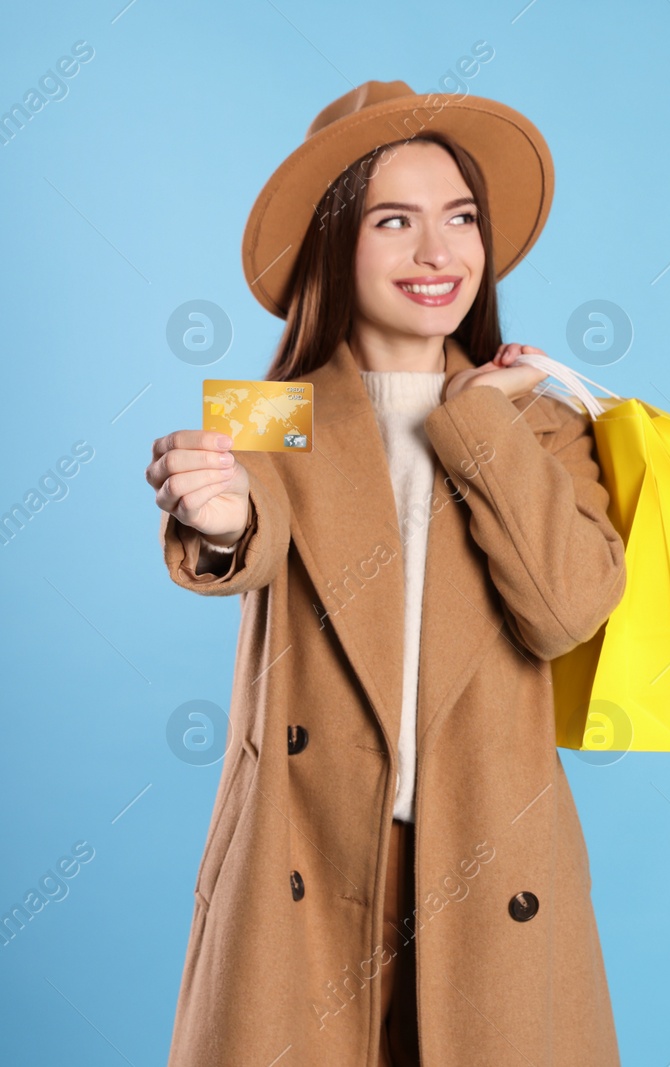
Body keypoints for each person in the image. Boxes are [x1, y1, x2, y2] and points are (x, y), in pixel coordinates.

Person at [146, 81, 627, 1065]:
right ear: (336, 241)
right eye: (394, 221)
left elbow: (565, 610)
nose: (437, 253)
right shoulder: (269, 414)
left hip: (490, 858)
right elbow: (250, 524)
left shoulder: (539, 420)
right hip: (305, 858)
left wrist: (481, 423)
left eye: (459, 220)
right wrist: (220, 514)